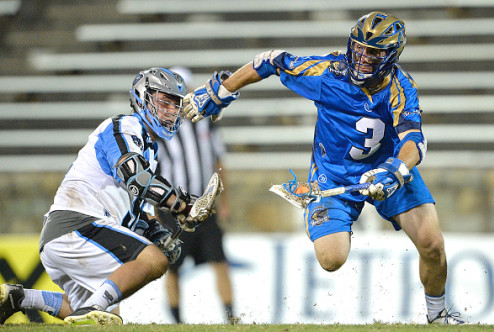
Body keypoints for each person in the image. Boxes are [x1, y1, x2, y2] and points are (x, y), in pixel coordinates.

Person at [181, 12, 465, 325]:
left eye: (373, 52)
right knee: (332, 258)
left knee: (432, 243)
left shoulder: (401, 87)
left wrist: (395, 170)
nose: (363, 58)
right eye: (358, 48)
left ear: (391, 56)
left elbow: (413, 141)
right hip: (332, 178)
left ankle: (438, 317)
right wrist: (221, 91)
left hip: (386, 171)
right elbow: (271, 61)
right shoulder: (328, 72)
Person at [0, 67, 219, 326]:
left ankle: (20, 298)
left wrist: (158, 233)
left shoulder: (149, 149)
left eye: (175, 104)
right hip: (78, 224)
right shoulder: (125, 125)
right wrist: (180, 205)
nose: (171, 110)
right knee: (152, 262)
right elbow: (134, 175)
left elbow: (136, 214)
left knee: (102, 318)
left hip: (68, 233)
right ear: (143, 98)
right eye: (165, 101)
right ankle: (93, 306)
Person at [155, 66, 236, 324]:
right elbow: (154, 172)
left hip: (204, 206)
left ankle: (232, 318)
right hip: (173, 211)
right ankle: (178, 323)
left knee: (219, 262)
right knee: (173, 268)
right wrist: (156, 212)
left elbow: (217, 162)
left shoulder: (207, 125)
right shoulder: (161, 130)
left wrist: (223, 201)